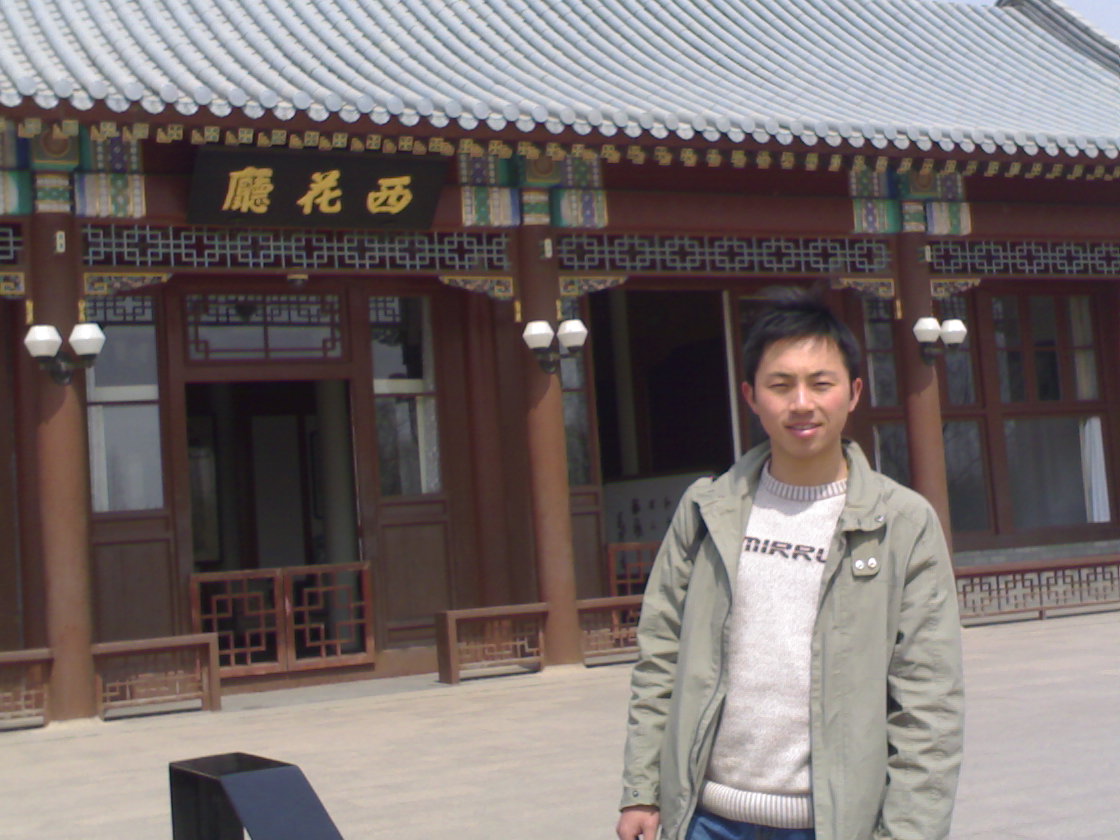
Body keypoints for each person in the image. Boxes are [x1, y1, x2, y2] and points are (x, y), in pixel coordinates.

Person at [616, 288, 964, 840]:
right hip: (707, 817)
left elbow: (929, 702)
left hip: (831, 823)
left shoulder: (902, 523)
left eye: (821, 384)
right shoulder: (707, 510)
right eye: (780, 386)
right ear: (751, 397)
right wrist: (642, 788)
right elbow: (660, 657)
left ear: (853, 393)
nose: (801, 403)